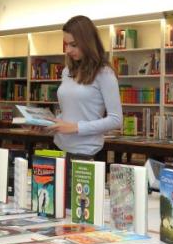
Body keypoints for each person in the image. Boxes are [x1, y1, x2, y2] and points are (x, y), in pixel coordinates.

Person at [44, 15, 122, 200]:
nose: (68, 50)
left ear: (87, 42)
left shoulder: (104, 73)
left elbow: (116, 119)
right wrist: (49, 124)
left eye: (73, 44)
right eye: (66, 45)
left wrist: (76, 127)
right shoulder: (67, 72)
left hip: (85, 155)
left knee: (79, 213)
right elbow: (70, 112)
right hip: (59, 150)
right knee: (55, 209)